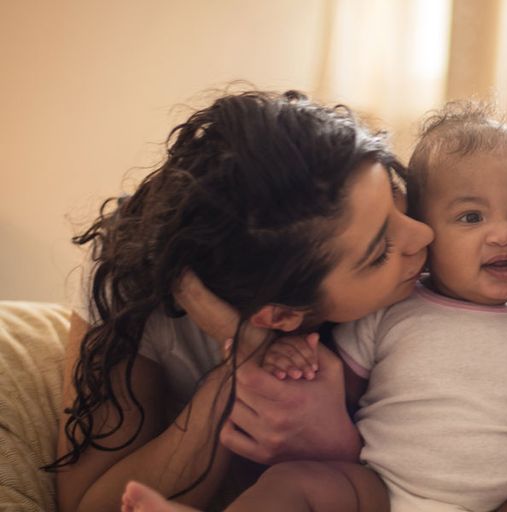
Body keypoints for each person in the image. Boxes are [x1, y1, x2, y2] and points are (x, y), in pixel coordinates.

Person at [121, 101, 507, 512]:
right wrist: (285, 366)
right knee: (292, 485)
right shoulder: (393, 311)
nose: (503, 234)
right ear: (426, 226)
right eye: (470, 217)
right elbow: (343, 403)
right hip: (380, 493)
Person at [52, 90, 435, 511]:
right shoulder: (130, 280)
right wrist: (240, 366)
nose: (424, 235)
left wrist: (337, 442)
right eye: (380, 253)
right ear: (283, 314)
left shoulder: (447, 255)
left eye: (393, 191)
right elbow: (87, 504)